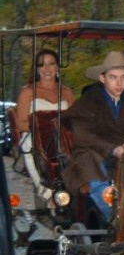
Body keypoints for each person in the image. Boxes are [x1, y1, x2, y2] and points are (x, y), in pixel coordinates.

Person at [61, 51, 124, 195]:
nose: (119, 83)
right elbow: (84, 137)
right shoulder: (86, 103)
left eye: (123, 77)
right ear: (102, 78)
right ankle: (110, 213)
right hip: (92, 152)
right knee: (91, 167)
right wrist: (113, 149)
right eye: (113, 77)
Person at [15, 49, 75, 202]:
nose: (47, 69)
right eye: (41, 65)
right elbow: (22, 123)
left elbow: (75, 120)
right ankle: (46, 193)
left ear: (57, 67)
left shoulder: (66, 92)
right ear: (36, 69)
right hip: (37, 137)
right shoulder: (28, 92)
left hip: (63, 138)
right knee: (27, 143)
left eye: (51, 64)